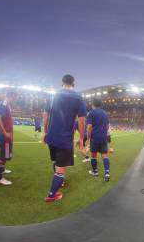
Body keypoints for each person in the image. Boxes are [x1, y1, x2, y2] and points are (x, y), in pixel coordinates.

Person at [43, 74, 87, 202]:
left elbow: (45, 114)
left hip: (51, 137)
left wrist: (45, 132)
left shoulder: (54, 95)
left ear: (62, 83)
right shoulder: (78, 97)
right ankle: (52, 195)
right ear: (73, 83)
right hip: (64, 139)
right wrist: (81, 139)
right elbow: (82, 120)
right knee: (61, 169)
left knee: (56, 162)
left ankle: (59, 182)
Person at [0, 90, 18, 186]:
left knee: (5, 156)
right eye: (16, 97)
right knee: (3, 157)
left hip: (6, 136)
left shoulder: (6, 105)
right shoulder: (4, 104)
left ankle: (2, 170)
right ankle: (0, 178)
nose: (16, 99)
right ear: (12, 96)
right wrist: (4, 132)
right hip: (5, 136)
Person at [86, 98, 111, 181]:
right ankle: (107, 173)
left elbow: (89, 127)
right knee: (105, 155)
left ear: (93, 104)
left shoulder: (91, 113)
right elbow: (107, 126)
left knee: (93, 155)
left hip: (94, 138)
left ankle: (95, 171)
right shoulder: (105, 113)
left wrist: (88, 138)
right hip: (103, 137)